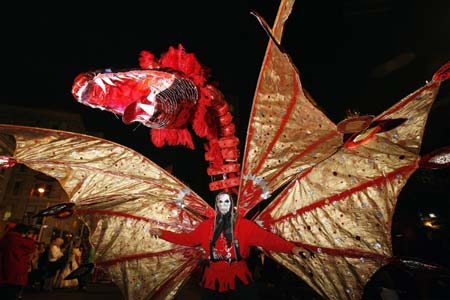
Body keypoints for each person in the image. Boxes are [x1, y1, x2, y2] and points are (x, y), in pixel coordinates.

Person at [150, 192, 307, 300]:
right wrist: (163, 233)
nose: (223, 206)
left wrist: (292, 248)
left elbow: (268, 239)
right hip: (212, 280)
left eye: (227, 202)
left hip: (240, 278)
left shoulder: (245, 226)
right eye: (220, 202)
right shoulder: (206, 226)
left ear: (232, 206)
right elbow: (188, 239)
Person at [0, 223, 36, 300]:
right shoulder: (21, 240)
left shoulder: (5, 238)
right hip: (16, 272)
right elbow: (31, 247)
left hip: (3, 269)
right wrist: (30, 238)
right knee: (11, 293)